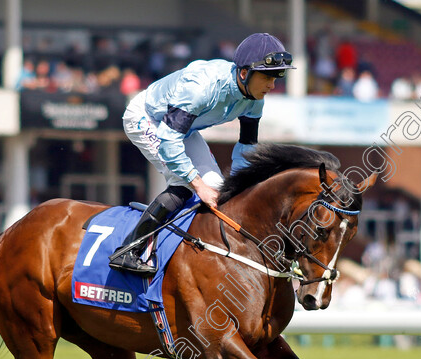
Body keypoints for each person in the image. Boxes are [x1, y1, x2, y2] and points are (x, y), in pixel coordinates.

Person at [108, 33, 295, 275]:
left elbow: (246, 149)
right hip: (148, 118)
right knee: (184, 183)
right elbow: (168, 139)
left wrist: (239, 188)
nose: (272, 85)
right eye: (268, 77)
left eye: (278, 77)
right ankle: (129, 250)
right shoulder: (201, 87)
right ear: (243, 73)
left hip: (183, 130)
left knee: (218, 190)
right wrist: (197, 184)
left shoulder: (255, 99)